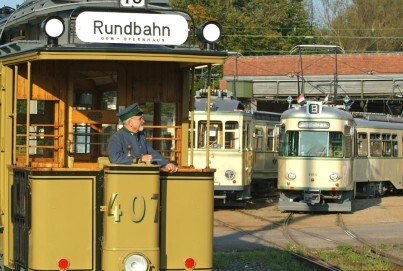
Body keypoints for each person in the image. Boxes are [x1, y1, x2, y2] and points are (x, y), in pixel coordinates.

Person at [108, 103, 177, 173]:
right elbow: (115, 158)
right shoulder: (117, 137)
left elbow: (152, 154)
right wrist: (139, 159)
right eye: (140, 119)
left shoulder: (141, 136)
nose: (143, 121)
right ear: (130, 123)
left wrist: (166, 164)